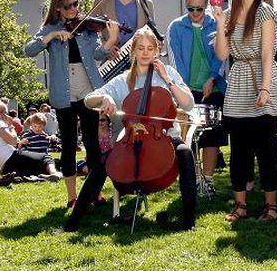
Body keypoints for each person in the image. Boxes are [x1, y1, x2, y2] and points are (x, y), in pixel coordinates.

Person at [65, 26, 197, 232]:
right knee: (101, 164)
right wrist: (105, 97)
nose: (145, 52)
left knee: (185, 153)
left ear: (156, 51)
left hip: (165, 137)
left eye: (150, 48)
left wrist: (168, 79)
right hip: (132, 138)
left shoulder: (167, 72)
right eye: (141, 48)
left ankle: (189, 221)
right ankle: (73, 222)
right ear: (133, 51)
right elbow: (89, 101)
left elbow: (188, 104)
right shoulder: (123, 80)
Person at [25, 0, 120, 208]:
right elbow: (28, 50)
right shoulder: (50, 28)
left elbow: (98, 54)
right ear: (58, 7)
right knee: (68, 144)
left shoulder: (87, 29)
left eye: (77, 4)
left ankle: (93, 191)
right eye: (69, 6)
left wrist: (111, 39)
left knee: (92, 143)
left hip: (88, 90)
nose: (75, 9)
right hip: (63, 93)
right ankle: (72, 197)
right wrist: (50, 36)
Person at [212, 0, 277, 222]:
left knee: (267, 147)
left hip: (262, 75)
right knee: (240, 148)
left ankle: (271, 205)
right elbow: (222, 55)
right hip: (239, 77)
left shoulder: (264, 11)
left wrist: (265, 88)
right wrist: (221, 23)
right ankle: (240, 205)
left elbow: (269, 53)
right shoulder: (228, 14)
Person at [166, 0, 228, 196]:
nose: (195, 13)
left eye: (199, 9)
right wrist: (181, 88)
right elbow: (173, 60)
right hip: (186, 90)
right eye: (191, 9)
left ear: (206, 7)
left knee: (211, 135)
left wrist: (212, 78)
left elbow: (222, 56)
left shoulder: (215, 24)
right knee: (188, 137)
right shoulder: (175, 27)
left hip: (214, 86)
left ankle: (208, 181)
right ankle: (191, 181)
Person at [0, 100, 61, 181]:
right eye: (1, 112)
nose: (4, 115)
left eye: (5, 112)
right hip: (11, 158)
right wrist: (10, 126)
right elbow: (13, 140)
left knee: (38, 168)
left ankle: (44, 176)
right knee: (45, 157)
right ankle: (54, 173)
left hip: (4, 169)